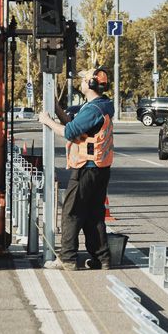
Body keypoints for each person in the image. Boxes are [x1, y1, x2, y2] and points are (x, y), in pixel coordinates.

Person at [38, 67, 115, 270]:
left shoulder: (93, 109)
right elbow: (76, 125)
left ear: (91, 85)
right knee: (93, 215)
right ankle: (102, 258)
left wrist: (47, 121)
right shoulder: (102, 105)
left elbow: (70, 131)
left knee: (71, 213)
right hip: (99, 169)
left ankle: (68, 258)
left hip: (86, 169)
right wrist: (57, 110)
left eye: (84, 80)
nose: (80, 83)